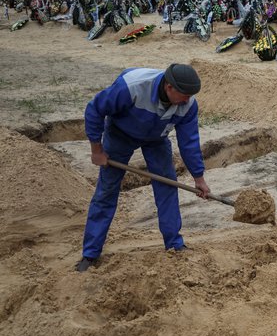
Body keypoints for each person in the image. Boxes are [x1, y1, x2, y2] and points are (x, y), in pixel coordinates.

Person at [76, 64, 211, 272]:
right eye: (184, 95)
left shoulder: (188, 104)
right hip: (120, 133)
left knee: (167, 186)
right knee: (107, 190)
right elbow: (95, 109)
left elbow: (189, 142)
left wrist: (199, 178)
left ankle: (174, 244)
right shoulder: (132, 86)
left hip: (156, 139)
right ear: (169, 87)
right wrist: (97, 150)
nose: (187, 100)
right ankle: (90, 254)